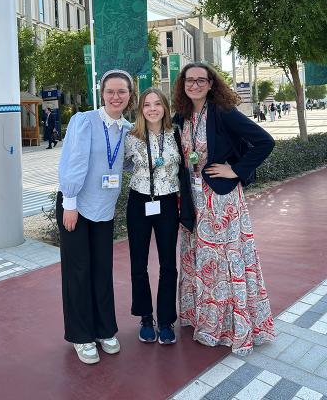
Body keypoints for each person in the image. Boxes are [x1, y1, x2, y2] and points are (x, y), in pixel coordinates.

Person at [173, 61, 275, 355]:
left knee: (225, 263)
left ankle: (233, 327)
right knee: (203, 263)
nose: (194, 85)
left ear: (211, 83)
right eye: (189, 80)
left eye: (200, 80)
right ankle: (205, 320)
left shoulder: (222, 113)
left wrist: (237, 170)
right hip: (194, 201)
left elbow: (264, 142)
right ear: (182, 84)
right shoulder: (182, 116)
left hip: (222, 202)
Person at [56, 70, 135, 365]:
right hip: (76, 206)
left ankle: (104, 330)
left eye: (122, 92)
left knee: (102, 270)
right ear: (101, 94)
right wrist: (70, 202)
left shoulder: (129, 129)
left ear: (130, 95)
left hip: (104, 207)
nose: (116, 97)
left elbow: (126, 165)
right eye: (110, 91)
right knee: (78, 271)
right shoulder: (84, 121)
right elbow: (73, 162)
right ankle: (80, 335)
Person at [124, 88, 181, 345]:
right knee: (139, 263)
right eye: (147, 105)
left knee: (168, 264)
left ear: (165, 107)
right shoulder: (130, 136)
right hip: (139, 200)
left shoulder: (176, 133)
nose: (153, 109)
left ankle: (166, 320)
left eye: (158, 104)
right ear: (141, 110)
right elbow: (119, 164)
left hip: (167, 201)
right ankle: (146, 317)